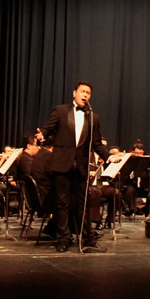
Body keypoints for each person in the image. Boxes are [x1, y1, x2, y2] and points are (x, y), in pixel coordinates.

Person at [38, 81, 110, 253]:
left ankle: (88, 239)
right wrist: (42, 135)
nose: (85, 95)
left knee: (83, 204)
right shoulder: (61, 111)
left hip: (81, 166)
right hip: (62, 164)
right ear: (74, 93)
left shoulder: (93, 117)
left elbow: (97, 143)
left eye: (88, 93)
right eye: (82, 91)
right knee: (62, 203)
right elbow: (48, 129)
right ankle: (62, 239)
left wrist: (109, 156)